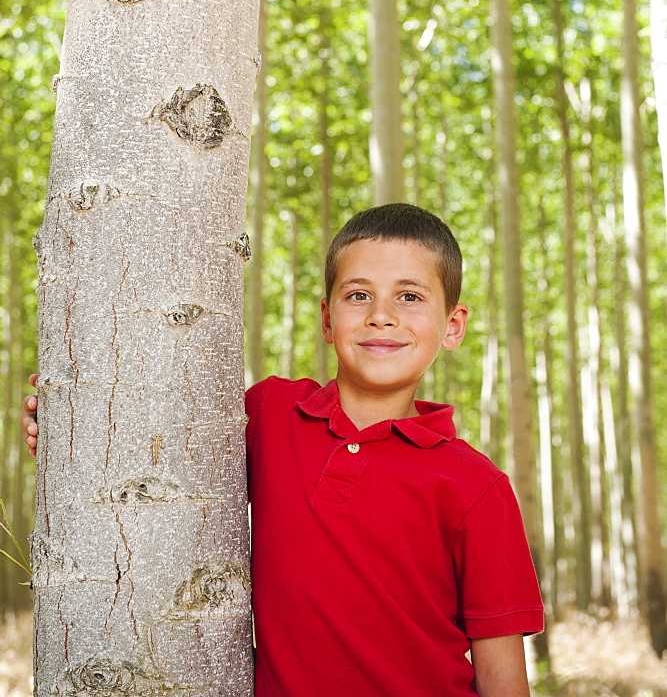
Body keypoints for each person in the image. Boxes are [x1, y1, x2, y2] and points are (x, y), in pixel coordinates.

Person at [23, 203, 544, 697]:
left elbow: (502, 673)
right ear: (326, 318)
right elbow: (154, 455)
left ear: (452, 326)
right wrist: (73, 426)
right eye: (358, 295)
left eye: (410, 297)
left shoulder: (476, 486)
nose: (381, 315)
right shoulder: (272, 413)